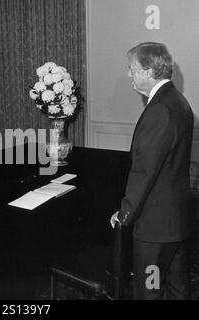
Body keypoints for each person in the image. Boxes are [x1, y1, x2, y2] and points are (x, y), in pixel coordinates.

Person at [110, 42, 194, 300]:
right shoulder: (178, 101)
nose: (129, 75)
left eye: (132, 69)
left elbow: (144, 173)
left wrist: (124, 215)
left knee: (149, 290)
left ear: (149, 71)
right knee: (178, 288)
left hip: (155, 230)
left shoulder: (159, 109)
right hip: (177, 222)